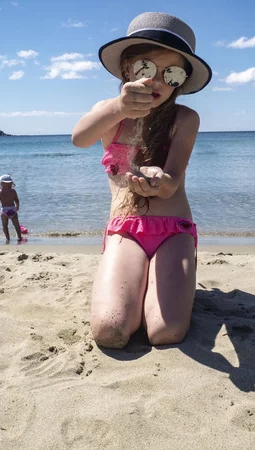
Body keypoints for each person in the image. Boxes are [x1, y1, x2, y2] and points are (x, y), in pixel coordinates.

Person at [72, 12, 212, 348]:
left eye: (172, 74)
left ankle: (169, 274)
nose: (158, 82)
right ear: (127, 69)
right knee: (111, 330)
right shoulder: (109, 111)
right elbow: (80, 137)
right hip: (125, 229)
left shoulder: (184, 118)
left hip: (172, 231)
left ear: (181, 82)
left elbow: (173, 182)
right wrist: (119, 108)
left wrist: (159, 181)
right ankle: (140, 278)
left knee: (166, 333)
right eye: (147, 68)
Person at [0, 174, 23, 244]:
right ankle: (19, 237)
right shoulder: (13, 191)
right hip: (12, 210)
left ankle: (8, 238)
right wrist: (17, 206)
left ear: (1, 183)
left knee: (5, 226)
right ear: (11, 183)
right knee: (16, 225)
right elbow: (17, 200)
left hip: (4, 211)